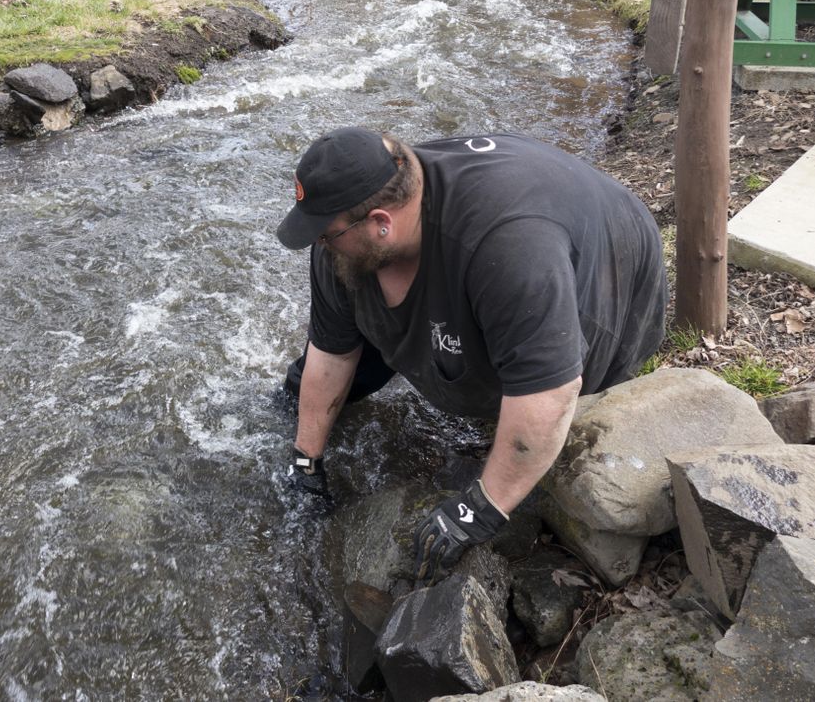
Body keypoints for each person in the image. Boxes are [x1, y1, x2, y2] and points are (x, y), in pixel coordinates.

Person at [275, 127, 667, 582]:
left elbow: (550, 391)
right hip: (494, 251)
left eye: (326, 235)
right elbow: (332, 352)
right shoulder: (349, 237)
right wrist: (306, 459)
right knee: (357, 350)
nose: (320, 244)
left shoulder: (507, 249)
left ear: (381, 223)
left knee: (508, 385)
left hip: (609, 278)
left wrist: (481, 507)